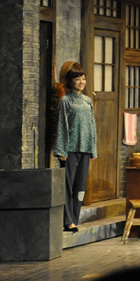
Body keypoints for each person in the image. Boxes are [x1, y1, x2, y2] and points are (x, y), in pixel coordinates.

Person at [54, 65, 96, 233]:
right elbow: (61, 126)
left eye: (83, 79)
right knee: (67, 185)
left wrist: (93, 148)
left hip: (85, 149)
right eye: (78, 79)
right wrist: (61, 150)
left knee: (80, 186)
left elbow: (92, 126)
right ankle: (67, 220)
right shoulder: (65, 101)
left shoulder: (87, 101)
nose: (81, 82)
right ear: (71, 82)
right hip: (69, 150)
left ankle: (74, 218)